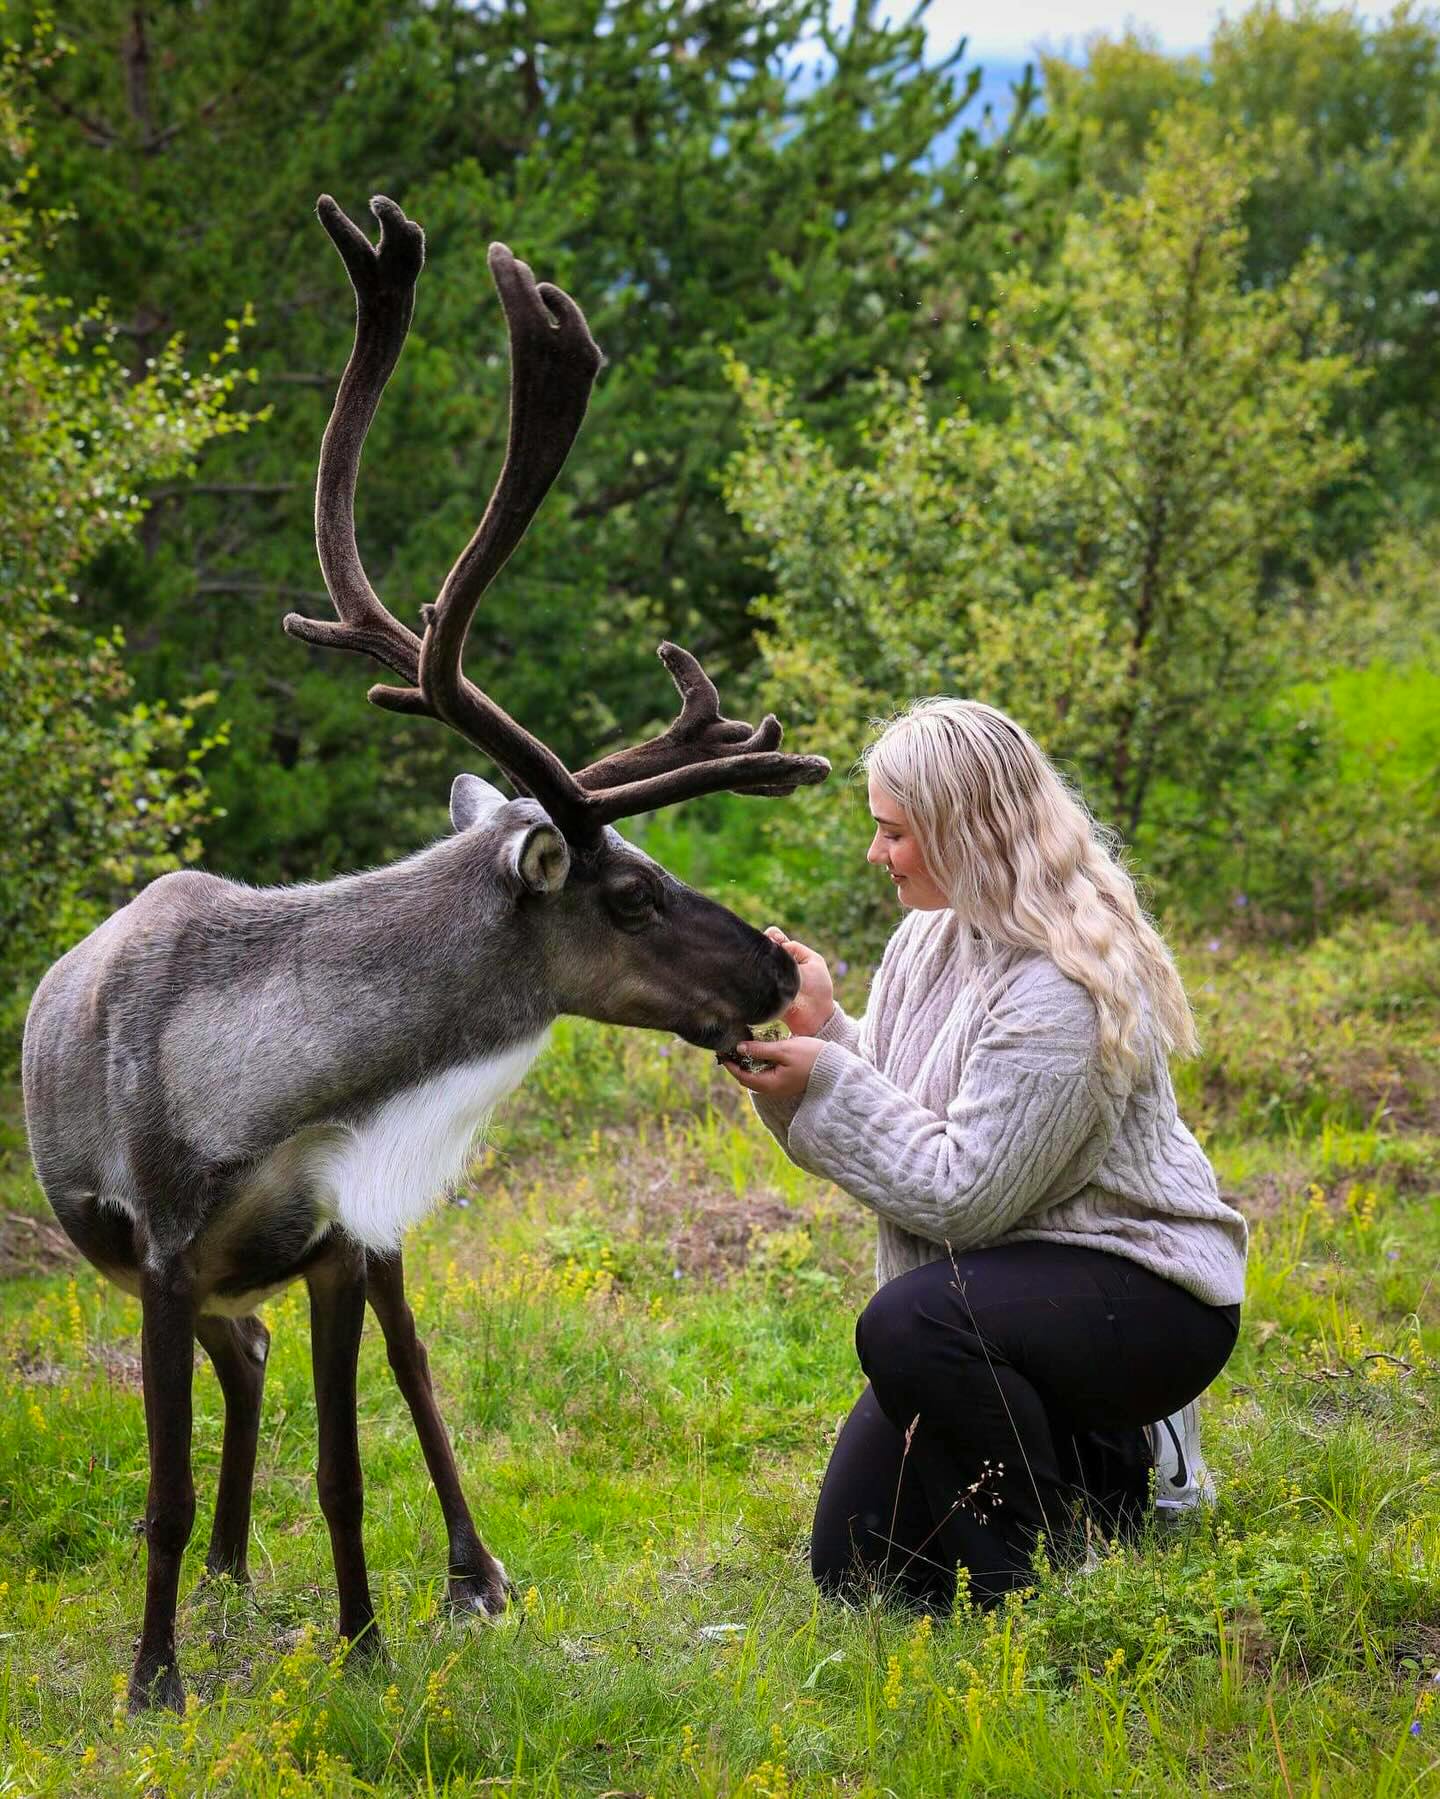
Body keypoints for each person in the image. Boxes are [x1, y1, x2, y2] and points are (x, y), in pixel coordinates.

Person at [720, 698, 1247, 1611]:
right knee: (860, 1565)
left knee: (909, 1325)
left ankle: (1039, 1581)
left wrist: (824, 1081)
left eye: (893, 832)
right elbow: (914, 1103)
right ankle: (1102, 1467)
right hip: (1017, 1284)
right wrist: (823, 1026)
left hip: (1141, 1291)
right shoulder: (933, 930)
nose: (875, 855)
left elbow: (961, 1191)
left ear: (965, 830)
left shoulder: (1060, 985)